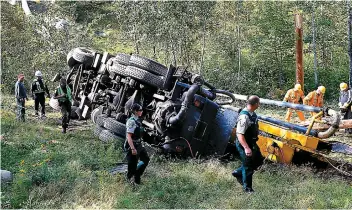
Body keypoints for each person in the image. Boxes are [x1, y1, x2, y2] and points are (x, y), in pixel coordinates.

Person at [232, 95, 263, 193]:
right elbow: (240, 134)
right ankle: (248, 189)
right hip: (244, 144)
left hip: (251, 142)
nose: (259, 104)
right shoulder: (244, 117)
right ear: (256, 104)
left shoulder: (252, 113)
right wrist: (246, 148)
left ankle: (238, 172)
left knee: (258, 160)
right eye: (259, 103)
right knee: (248, 166)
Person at [124, 103, 150, 185]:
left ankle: (137, 176)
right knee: (132, 167)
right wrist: (132, 148)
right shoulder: (131, 121)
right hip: (133, 146)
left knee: (146, 159)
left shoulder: (137, 120)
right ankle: (128, 183)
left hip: (139, 144)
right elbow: (128, 136)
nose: (142, 111)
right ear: (135, 111)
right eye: (140, 110)